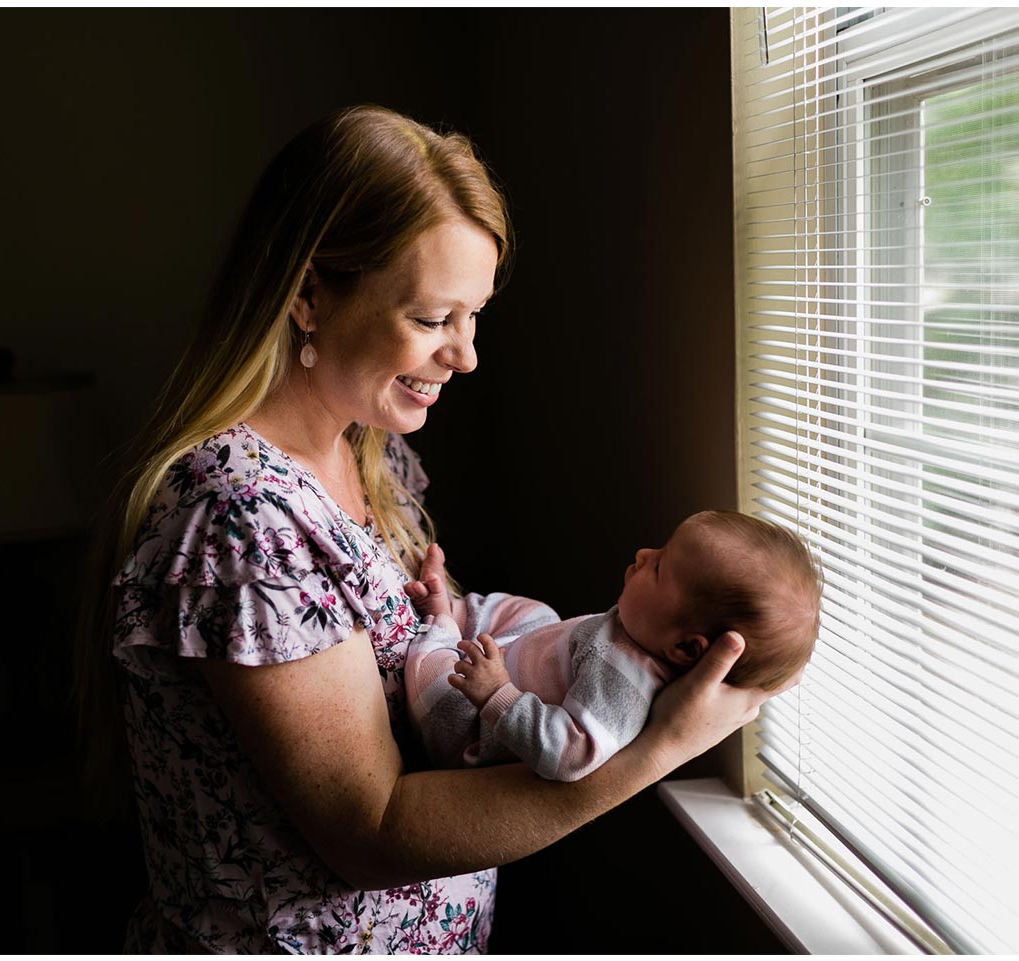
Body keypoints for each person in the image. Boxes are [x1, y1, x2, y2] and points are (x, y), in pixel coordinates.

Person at [74, 105, 780, 953]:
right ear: (307, 295)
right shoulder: (240, 518)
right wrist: (658, 749)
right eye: (431, 317)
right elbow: (369, 828)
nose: (467, 354)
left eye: (473, 316)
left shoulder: (373, 458)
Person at [403, 510, 820, 780]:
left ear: (687, 649)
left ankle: (438, 620)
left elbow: (570, 754)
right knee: (538, 615)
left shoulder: (624, 681)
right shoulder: (644, 633)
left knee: (435, 675)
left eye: (659, 569)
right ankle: (458, 619)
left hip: (468, 725)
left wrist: (495, 693)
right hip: (522, 660)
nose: (643, 554)